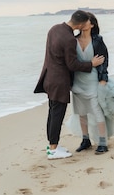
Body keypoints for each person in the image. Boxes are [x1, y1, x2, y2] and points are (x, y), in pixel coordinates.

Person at [34, 10, 105, 160]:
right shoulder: (70, 39)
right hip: (59, 81)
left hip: (48, 77)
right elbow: (72, 65)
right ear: (79, 24)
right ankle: (53, 149)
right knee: (57, 116)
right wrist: (91, 63)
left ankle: (52, 146)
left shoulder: (54, 29)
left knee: (52, 113)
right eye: (85, 22)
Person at [71, 12, 110, 154]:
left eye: (86, 21)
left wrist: (103, 79)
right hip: (77, 81)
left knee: (97, 110)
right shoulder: (73, 40)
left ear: (92, 24)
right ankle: (85, 140)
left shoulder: (98, 41)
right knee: (81, 112)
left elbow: (104, 61)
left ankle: (103, 142)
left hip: (93, 81)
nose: (82, 23)